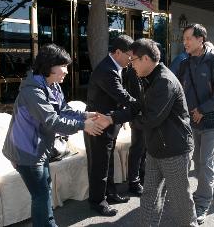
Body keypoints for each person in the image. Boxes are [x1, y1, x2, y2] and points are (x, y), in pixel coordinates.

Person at [96, 38, 198, 226]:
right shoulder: (147, 77)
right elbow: (138, 107)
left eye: (132, 59)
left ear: (145, 59)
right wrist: (112, 118)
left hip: (174, 150)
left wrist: (121, 118)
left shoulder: (164, 81)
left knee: (179, 198)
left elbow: (149, 118)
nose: (129, 64)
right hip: (155, 147)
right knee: (150, 194)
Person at [2, 44, 104, 227]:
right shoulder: (32, 92)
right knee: (41, 194)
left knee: (43, 192)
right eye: (63, 66)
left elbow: (63, 110)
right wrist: (83, 125)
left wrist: (84, 115)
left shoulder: (52, 85)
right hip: (26, 152)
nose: (66, 71)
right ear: (48, 66)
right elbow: (53, 122)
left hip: (39, 150)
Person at [177, 23, 214, 224]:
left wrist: (201, 110)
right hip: (190, 120)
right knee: (196, 160)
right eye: (184, 39)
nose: (185, 42)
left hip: (210, 120)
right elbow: (179, 90)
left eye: (189, 38)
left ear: (201, 40)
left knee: (205, 161)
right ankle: (197, 194)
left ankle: (203, 202)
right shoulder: (184, 63)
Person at [84, 34, 138, 216]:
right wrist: (141, 105)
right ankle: (98, 202)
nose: (131, 61)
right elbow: (122, 95)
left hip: (109, 123)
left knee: (108, 161)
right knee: (99, 165)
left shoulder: (115, 67)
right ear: (118, 52)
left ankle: (110, 193)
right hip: (98, 125)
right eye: (129, 56)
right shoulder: (107, 70)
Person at [122, 66, 145, 196]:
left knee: (143, 149)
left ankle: (141, 176)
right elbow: (136, 93)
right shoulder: (133, 71)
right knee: (137, 149)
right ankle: (134, 182)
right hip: (137, 115)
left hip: (143, 114)